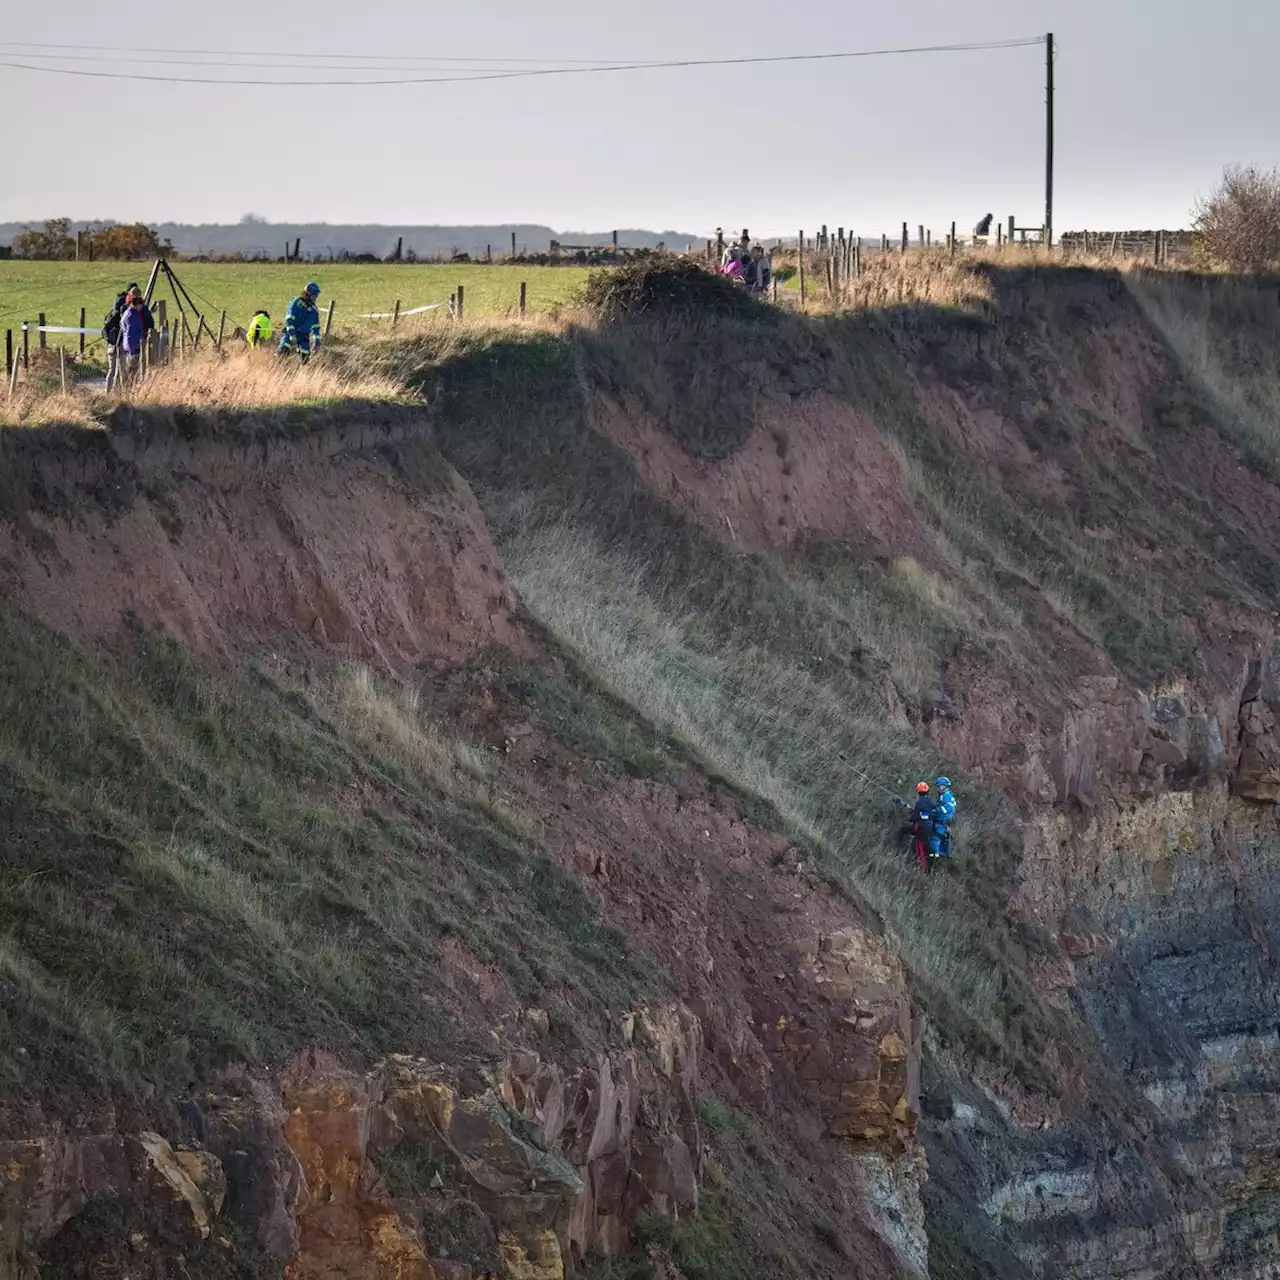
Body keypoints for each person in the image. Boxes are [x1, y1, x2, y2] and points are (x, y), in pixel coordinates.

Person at [103, 281, 150, 391]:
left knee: (112, 370)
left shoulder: (116, 307)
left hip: (111, 343)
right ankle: (117, 395)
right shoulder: (128, 308)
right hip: (121, 344)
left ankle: (107, 393)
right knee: (121, 371)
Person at [279, 282, 322, 361]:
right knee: (283, 351)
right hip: (291, 333)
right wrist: (292, 334)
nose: (315, 298)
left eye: (316, 296)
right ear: (308, 294)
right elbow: (289, 319)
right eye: (314, 295)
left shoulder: (314, 311)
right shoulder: (297, 302)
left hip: (303, 337)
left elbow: (316, 328)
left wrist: (317, 344)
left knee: (305, 358)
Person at [117, 292, 151, 385]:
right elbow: (132, 333)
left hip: (128, 346)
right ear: (136, 304)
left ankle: (128, 388)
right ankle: (132, 389)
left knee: (130, 370)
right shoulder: (133, 316)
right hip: (133, 347)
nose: (141, 307)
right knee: (134, 371)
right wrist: (139, 344)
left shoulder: (126, 313)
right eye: (140, 305)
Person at [908, 782, 934, 873]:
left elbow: (914, 817)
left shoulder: (919, 802)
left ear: (918, 792)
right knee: (927, 848)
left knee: (919, 847)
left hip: (921, 829)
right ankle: (928, 868)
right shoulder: (931, 801)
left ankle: (920, 867)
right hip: (930, 828)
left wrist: (911, 817)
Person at [933, 777, 957, 858]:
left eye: (938, 786)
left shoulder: (945, 795)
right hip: (945, 823)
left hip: (942, 823)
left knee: (935, 840)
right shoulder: (948, 795)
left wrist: (936, 811)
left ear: (943, 786)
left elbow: (947, 808)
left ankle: (935, 858)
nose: (938, 788)